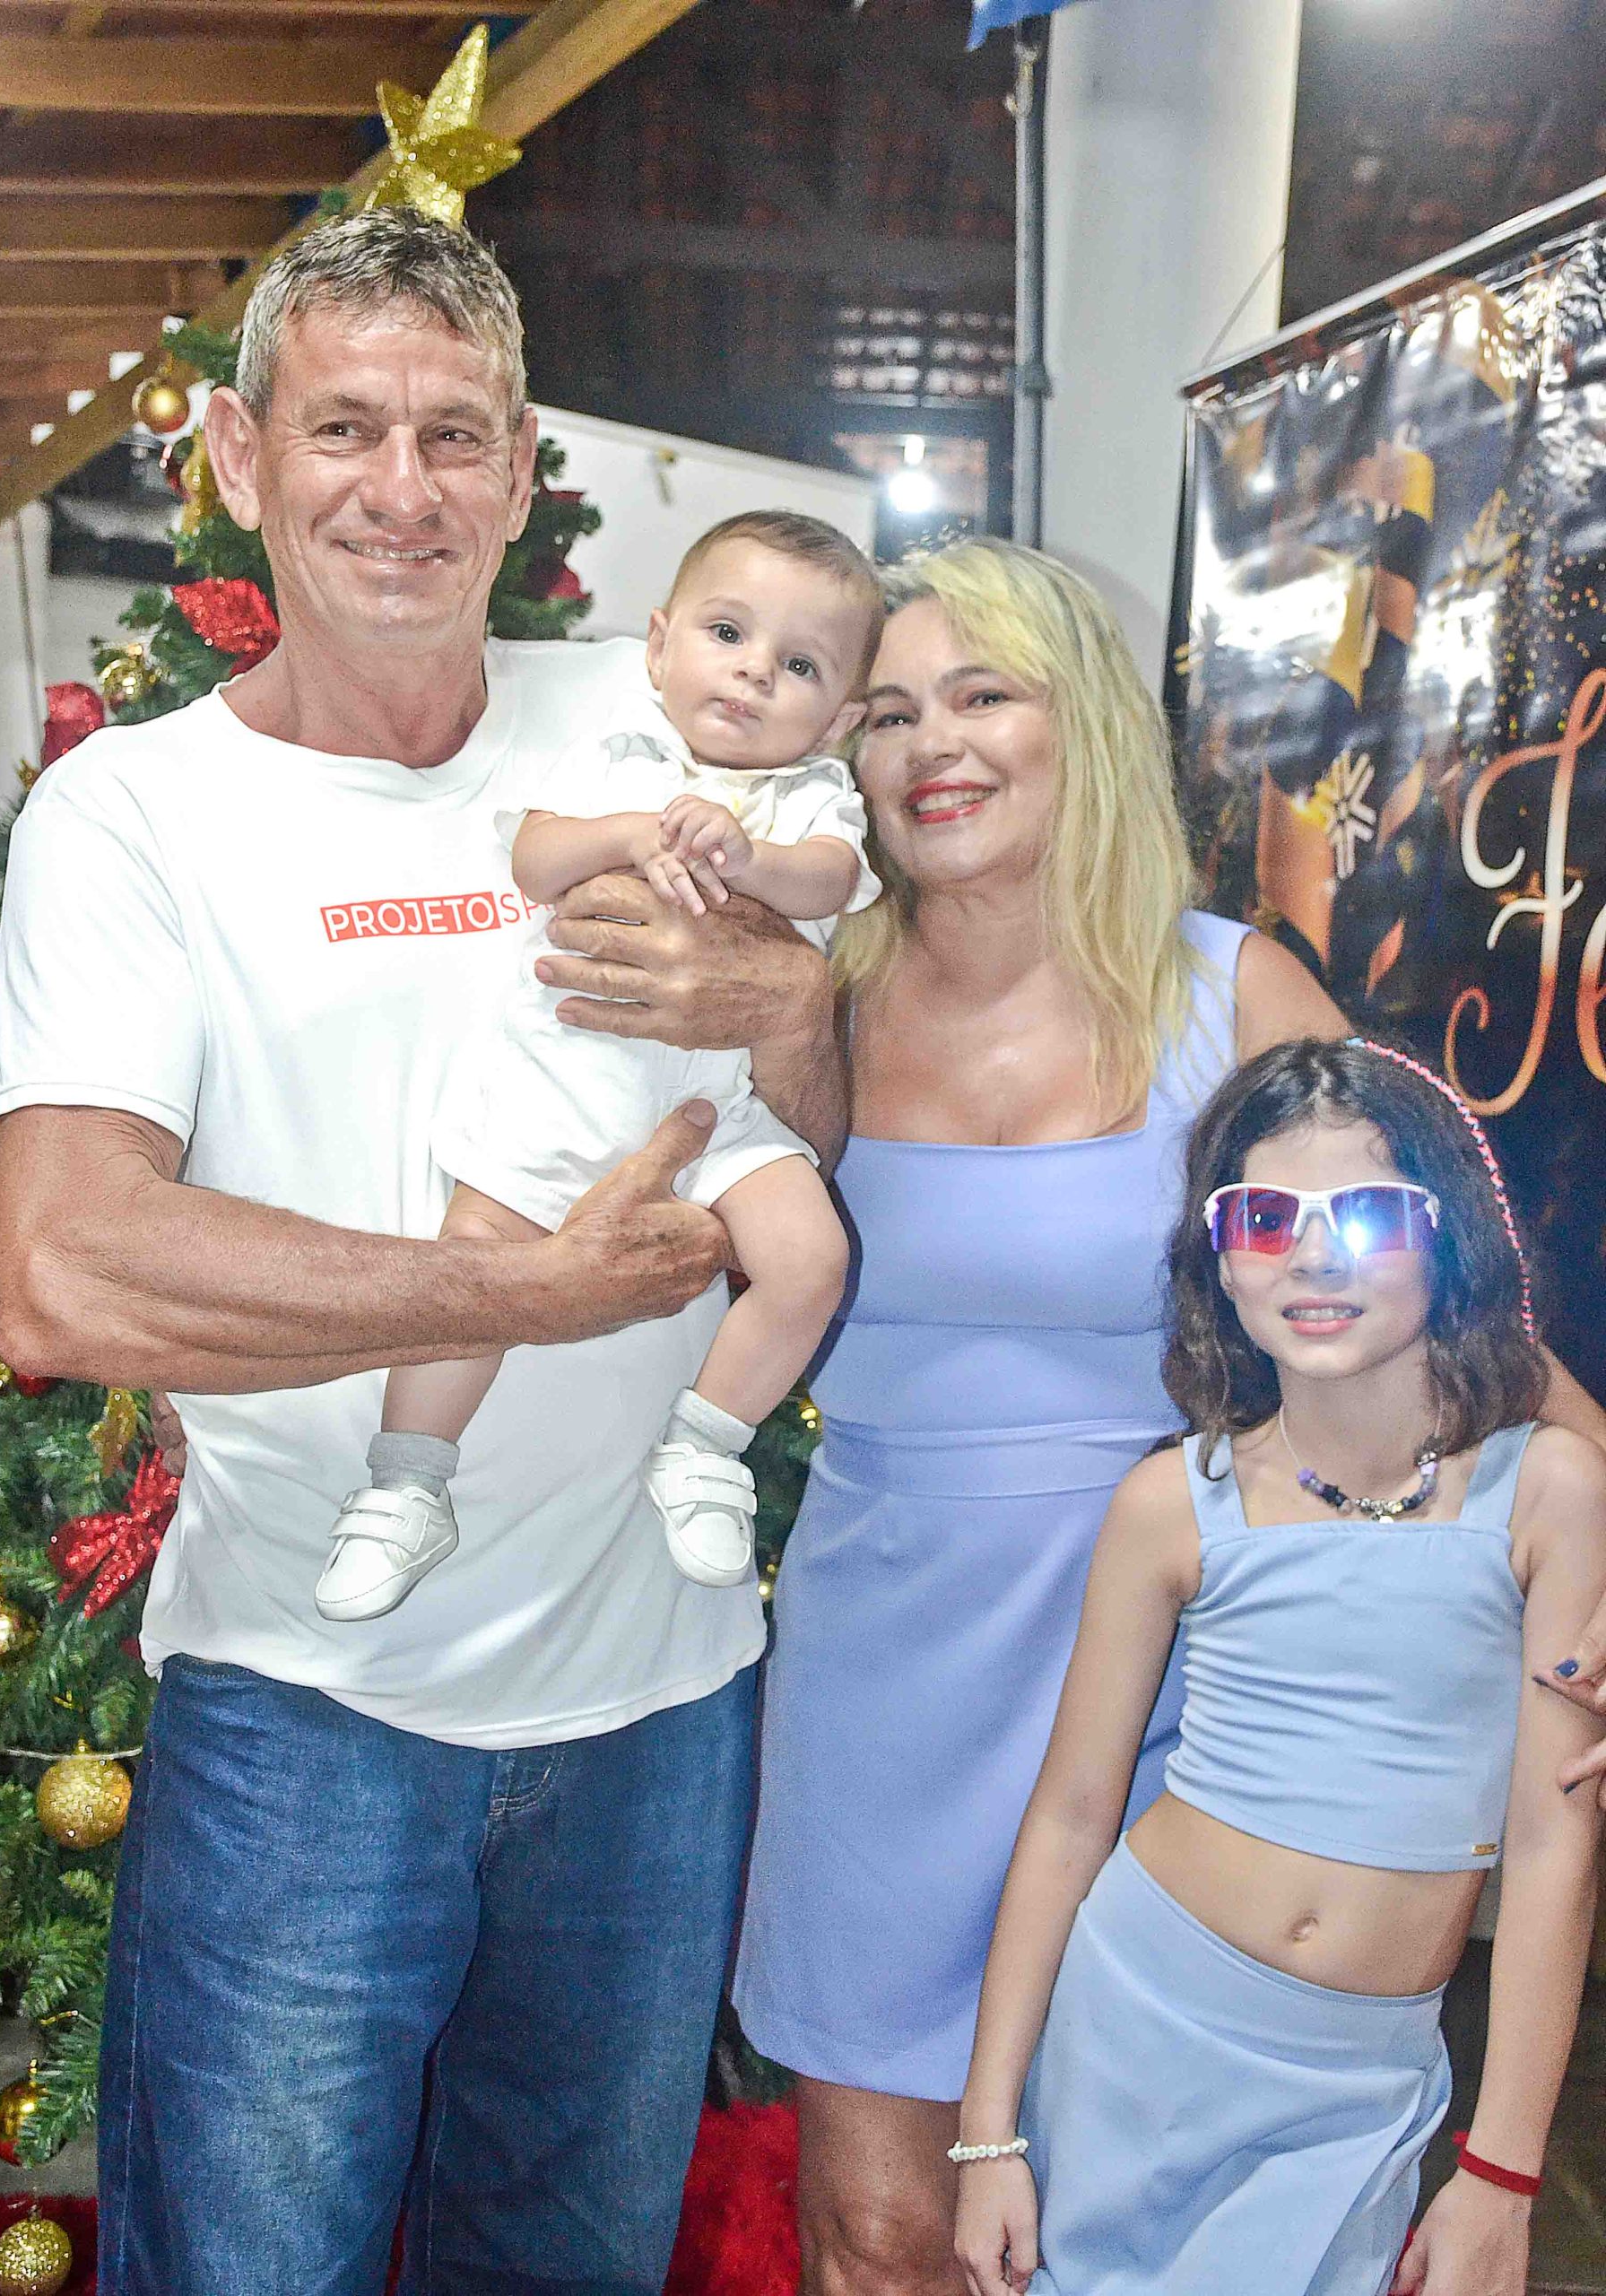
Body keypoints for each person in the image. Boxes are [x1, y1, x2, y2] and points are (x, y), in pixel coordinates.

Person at [0, 208, 843, 2296]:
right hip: (310, 1705)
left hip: (657, 1701)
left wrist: (788, 1006)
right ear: (238, 454)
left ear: (525, 465)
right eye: (344, 427)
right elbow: (62, 1269)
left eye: (455, 434)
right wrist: (515, 1293)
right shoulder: (139, 815)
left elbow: (811, 1139)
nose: (403, 487)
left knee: (566, 2266)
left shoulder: (656, 719)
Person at [730, 538, 1351, 2295]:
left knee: (1132, 2225)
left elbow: (1441, 1321)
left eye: (982, 694)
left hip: (1177, 1691)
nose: (932, 743)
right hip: (880, 1686)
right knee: (876, 2232)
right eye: (886, 711)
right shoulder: (808, 1004)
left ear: (1082, 726)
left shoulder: (1232, 995)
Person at [953, 1038, 1606, 2296]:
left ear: (1448, 1237)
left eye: (1364, 1215)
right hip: (1137, 2027)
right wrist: (989, 2134)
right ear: (1217, 1256)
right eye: (1262, 1218)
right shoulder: (1170, 1502)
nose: (1312, 1257)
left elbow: (1550, 1846)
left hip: (1361, 2080)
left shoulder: (1550, 1492)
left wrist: (1503, 2172)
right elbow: (1071, 1815)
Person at [319, 511, 881, 1620]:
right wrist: (626, 835)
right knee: (472, 1273)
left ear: (841, 718)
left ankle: (705, 1445)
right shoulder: (622, 754)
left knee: (810, 1256)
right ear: (660, 647)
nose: (754, 671)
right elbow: (533, 855)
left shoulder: (812, 796)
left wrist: (746, 855)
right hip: (563, 1092)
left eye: (800, 665)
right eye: (728, 632)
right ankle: (405, 1484)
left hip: (717, 1113)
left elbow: (828, 878)